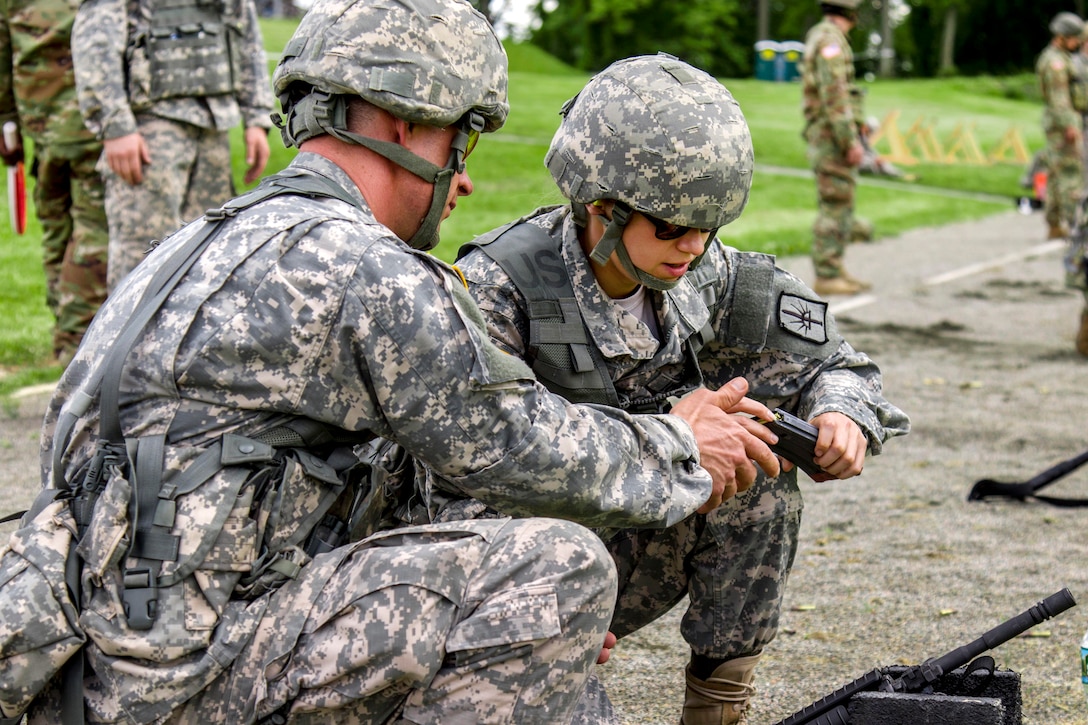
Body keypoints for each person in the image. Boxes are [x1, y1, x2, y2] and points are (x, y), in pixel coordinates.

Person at [18, 2, 786, 722]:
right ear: (401, 123)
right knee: (558, 572)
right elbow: (517, 444)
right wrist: (682, 442)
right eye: (462, 143)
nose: (465, 177)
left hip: (102, 668)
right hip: (192, 679)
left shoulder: (194, 245)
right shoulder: (356, 265)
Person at [439, 54, 908, 724]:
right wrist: (535, 589)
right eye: (669, 226)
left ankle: (716, 709)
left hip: (626, 539)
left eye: (708, 225)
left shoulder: (708, 272)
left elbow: (838, 363)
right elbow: (443, 488)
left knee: (758, 462)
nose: (692, 245)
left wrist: (840, 411)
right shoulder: (501, 290)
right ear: (601, 207)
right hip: (517, 563)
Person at [71, 0, 274, 291]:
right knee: (143, 258)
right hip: (150, 129)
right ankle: (132, 336)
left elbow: (244, 28)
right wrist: (114, 125)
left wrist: (256, 116)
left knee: (208, 253)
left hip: (212, 127)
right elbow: (96, 39)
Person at [0, 0, 108, 365]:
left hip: (42, 126)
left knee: (57, 233)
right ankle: (76, 344)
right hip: (93, 124)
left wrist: (7, 126)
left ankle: (64, 332)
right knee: (93, 235)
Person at [801, 0, 874, 296]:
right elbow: (835, 94)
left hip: (829, 133)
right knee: (836, 204)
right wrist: (849, 140)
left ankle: (835, 264)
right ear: (852, 13)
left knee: (841, 201)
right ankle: (828, 273)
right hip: (832, 136)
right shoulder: (830, 40)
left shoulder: (822, 35)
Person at [1036, 11, 1085, 241]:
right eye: (1074, 37)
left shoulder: (1058, 58)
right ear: (1063, 36)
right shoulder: (1055, 62)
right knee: (1070, 176)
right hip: (1062, 126)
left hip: (1059, 124)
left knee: (1056, 176)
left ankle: (1054, 224)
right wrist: (1070, 125)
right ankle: (1075, 224)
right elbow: (1059, 98)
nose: (1077, 42)